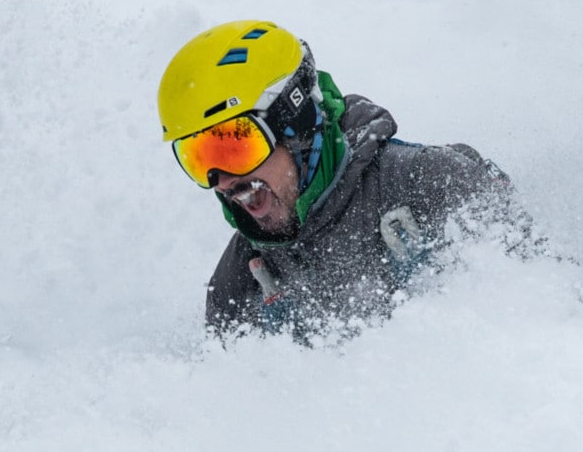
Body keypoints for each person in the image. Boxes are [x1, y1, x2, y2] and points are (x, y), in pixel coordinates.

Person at [157, 19, 537, 338]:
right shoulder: (241, 281)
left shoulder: (430, 184)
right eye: (198, 157)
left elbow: (556, 318)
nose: (221, 180)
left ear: (295, 125)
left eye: (234, 147)